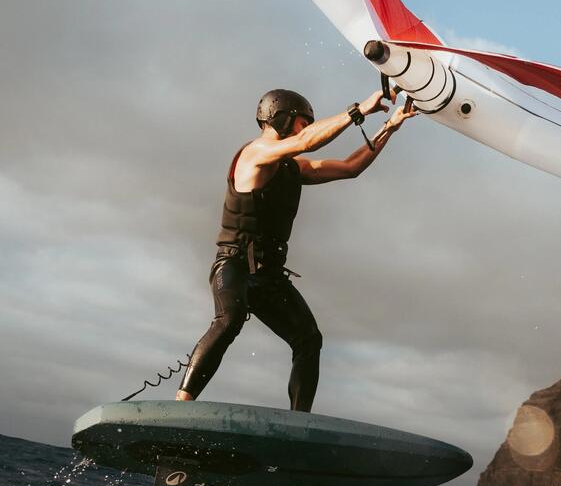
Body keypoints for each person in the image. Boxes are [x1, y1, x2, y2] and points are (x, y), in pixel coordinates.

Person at [176, 87, 416, 410]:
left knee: (308, 339)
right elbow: (305, 142)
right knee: (230, 318)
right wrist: (359, 109)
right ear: (283, 119)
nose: (308, 128)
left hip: (269, 277)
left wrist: (389, 126)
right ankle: (182, 403)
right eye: (304, 122)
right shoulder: (255, 154)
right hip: (233, 265)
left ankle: (298, 424)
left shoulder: (293, 169)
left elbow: (350, 167)